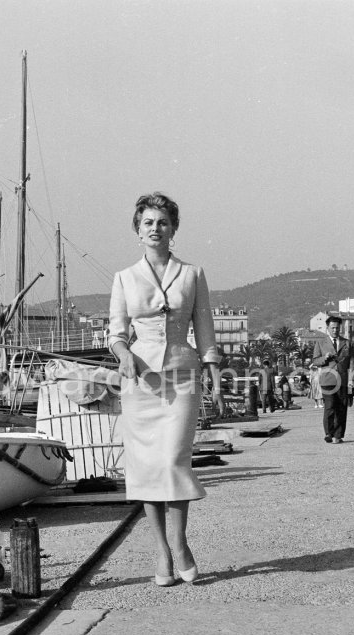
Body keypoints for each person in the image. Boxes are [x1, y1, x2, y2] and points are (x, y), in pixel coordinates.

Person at [108, 192, 224, 587]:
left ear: (173, 229)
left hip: (183, 373)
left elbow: (204, 326)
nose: (155, 229)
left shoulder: (192, 274)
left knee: (174, 459)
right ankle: (160, 550)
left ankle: (180, 544)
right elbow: (116, 333)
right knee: (145, 468)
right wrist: (123, 352)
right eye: (148, 223)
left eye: (162, 222)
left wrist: (213, 370)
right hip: (139, 380)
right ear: (137, 231)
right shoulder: (124, 278)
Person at [312, 315, 354, 444]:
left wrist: (352, 379)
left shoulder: (347, 343)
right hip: (327, 380)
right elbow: (315, 361)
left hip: (342, 380)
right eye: (332, 328)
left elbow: (352, 363)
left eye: (337, 328)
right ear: (327, 328)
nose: (335, 330)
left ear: (340, 328)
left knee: (341, 408)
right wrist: (324, 358)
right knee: (329, 407)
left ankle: (338, 435)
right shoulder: (320, 343)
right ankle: (328, 433)